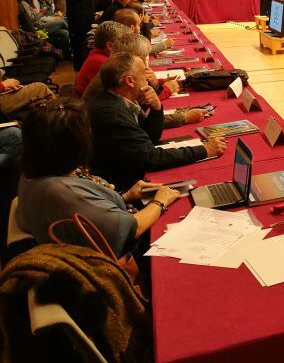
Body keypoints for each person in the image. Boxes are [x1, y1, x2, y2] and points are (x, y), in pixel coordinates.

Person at [16, 98, 182, 258]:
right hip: (112, 258)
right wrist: (160, 202)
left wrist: (126, 196)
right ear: (74, 143)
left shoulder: (36, 168)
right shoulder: (62, 191)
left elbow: (89, 210)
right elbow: (131, 229)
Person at [87, 53, 227, 191]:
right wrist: (205, 150)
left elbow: (151, 135)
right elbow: (151, 159)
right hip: (121, 185)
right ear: (130, 81)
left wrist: (156, 108)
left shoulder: (117, 99)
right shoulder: (113, 114)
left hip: (125, 171)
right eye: (144, 72)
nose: (148, 76)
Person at [73, 21, 131, 98]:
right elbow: (120, 93)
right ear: (110, 45)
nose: (128, 46)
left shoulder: (98, 54)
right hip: (87, 106)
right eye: (125, 42)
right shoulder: (103, 62)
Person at [61, 0, 97, 70]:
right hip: (82, 14)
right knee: (82, 39)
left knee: (76, 40)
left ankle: (78, 64)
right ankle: (82, 65)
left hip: (74, 13)